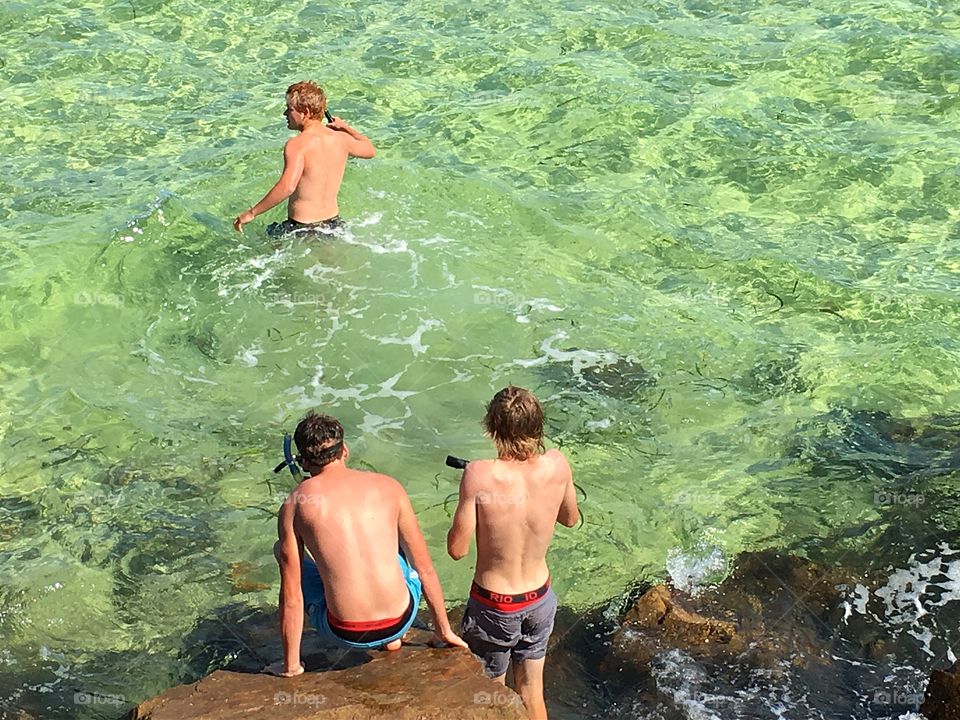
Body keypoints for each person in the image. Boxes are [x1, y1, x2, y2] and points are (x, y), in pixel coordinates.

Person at [268, 412, 466, 677]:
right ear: (345, 451)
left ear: (303, 462)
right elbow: (424, 568)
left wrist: (291, 666)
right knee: (397, 548)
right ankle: (391, 639)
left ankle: (366, 634)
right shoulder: (389, 487)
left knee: (282, 551)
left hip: (345, 633)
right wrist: (443, 631)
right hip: (401, 619)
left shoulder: (295, 504)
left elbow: (292, 596)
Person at [447, 386, 579, 719]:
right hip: (540, 600)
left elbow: (457, 550)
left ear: (492, 428)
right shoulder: (558, 464)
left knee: (490, 697)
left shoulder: (478, 474)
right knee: (532, 692)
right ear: (538, 426)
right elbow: (570, 518)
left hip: (494, 605)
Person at [233, 81, 375, 237]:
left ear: (305, 112)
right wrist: (346, 128)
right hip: (333, 225)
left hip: (301, 228)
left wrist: (252, 213)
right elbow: (369, 150)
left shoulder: (298, 144)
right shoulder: (341, 139)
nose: (285, 114)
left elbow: (287, 186)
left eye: (290, 109)